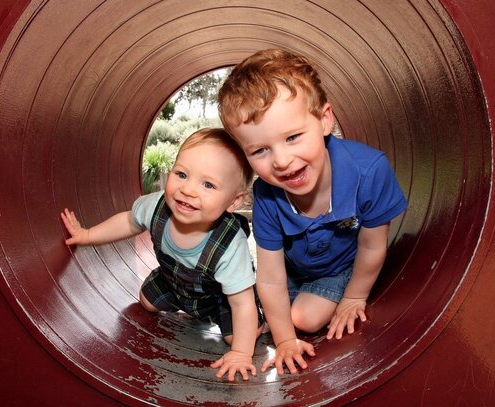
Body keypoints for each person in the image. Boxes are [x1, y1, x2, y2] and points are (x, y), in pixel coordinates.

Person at [217, 49, 407, 375]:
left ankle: (331, 294)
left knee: (303, 317)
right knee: (245, 317)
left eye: (292, 137)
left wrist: (354, 297)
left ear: (324, 120)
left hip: (340, 267)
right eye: (260, 150)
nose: (280, 160)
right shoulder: (267, 194)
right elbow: (272, 277)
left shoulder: (369, 171)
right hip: (294, 270)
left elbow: (373, 245)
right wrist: (285, 341)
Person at [61, 128, 264, 381]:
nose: (188, 190)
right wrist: (87, 235)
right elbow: (127, 221)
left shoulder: (229, 245)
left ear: (234, 202)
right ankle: (183, 303)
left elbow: (240, 303)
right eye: (181, 174)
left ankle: (260, 319)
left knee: (236, 335)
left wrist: (242, 353)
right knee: (145, 302)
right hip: (174, 282)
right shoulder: (157, 205)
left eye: (208, 184)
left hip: (220, 297)